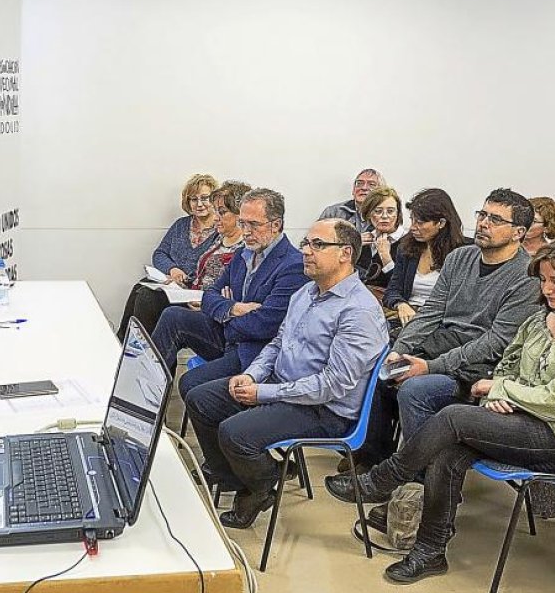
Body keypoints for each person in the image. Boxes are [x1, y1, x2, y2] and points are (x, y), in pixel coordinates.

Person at [326, 238, 555, 584]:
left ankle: (383, 479)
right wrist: (496, 397)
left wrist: (502, 391)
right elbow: (507, 366)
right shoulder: (541, 320)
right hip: (515, 421)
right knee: (448, 454)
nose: (547, 289)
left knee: (454, 416)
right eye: (544, 280)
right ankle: (429, 551)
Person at [185, 218, 388, 528]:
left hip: (326, 409)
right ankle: (242, 479)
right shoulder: (305, 293)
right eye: (306, 243)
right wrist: (253, 375)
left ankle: (259, 486)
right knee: (200, 398)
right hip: (285, 385)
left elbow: (332, 385)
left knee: (234, 433)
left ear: (345, 253)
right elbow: (278, 343)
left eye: (318, 245)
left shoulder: (359, 311)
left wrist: (263, 393)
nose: (305, 251)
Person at [362, 189, 543, 467]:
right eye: (482, 215)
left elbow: (495, 342)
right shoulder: (460, 257)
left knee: (415, 390)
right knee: (379, 368)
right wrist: (399, 350)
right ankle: (375, 463)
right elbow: (431, 313)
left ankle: (420, 477)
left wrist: (429, 367)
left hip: (479, 369)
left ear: (518, 232)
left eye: (495, 219)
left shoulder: (527, 277)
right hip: (442, 347)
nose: (483, 223)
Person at [152, 188, 308, 397]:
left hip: (253, 350)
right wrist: (235, 308)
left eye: (254, 224)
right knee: (172, 316)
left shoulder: (293, 265)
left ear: (276, 225)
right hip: (231, 334)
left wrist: (225, 317)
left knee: (190, 383)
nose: (246, 231)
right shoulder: (244, 253)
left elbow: (264, 325)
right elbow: (210, 294)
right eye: (242, 223)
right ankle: (146, 395)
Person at [116, 181, 249, 336]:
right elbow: (160, 253)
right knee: (140, 288)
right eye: (194, 199)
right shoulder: (183, 225)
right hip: (188, 289)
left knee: (148, 298)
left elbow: (218, 279)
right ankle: (122, 340)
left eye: (204, 198)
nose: (199, 204)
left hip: (195, 293)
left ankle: (143, 346)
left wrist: (187, 282)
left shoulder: (222, 234)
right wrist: (172, 271)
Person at [383, 188, 467, 327]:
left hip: (440, 323)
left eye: (420, 222)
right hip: (407, 317)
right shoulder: (406, 248)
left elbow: (462, 302)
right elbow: (392, 290)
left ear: (441, 223)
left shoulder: (463, 253)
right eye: (412, 220)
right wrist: (401, 304)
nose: (412, 227)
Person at [355, 186, 404, 288]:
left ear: (398, 213)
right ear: (368, 214)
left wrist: (386, 257)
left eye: (390, 211)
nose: (385, 216)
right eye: (378, 211)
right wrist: (354, 248)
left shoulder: (408, 242)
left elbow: (403, 287)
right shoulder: (363, 238)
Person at [319, 168, 386, 233]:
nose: (364, 188)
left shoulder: (386, 214)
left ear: (381, 191)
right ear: (353, 190)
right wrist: (356, 239)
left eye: (371, 184)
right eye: (359, 183)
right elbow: (316, 237)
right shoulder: (333, 213)